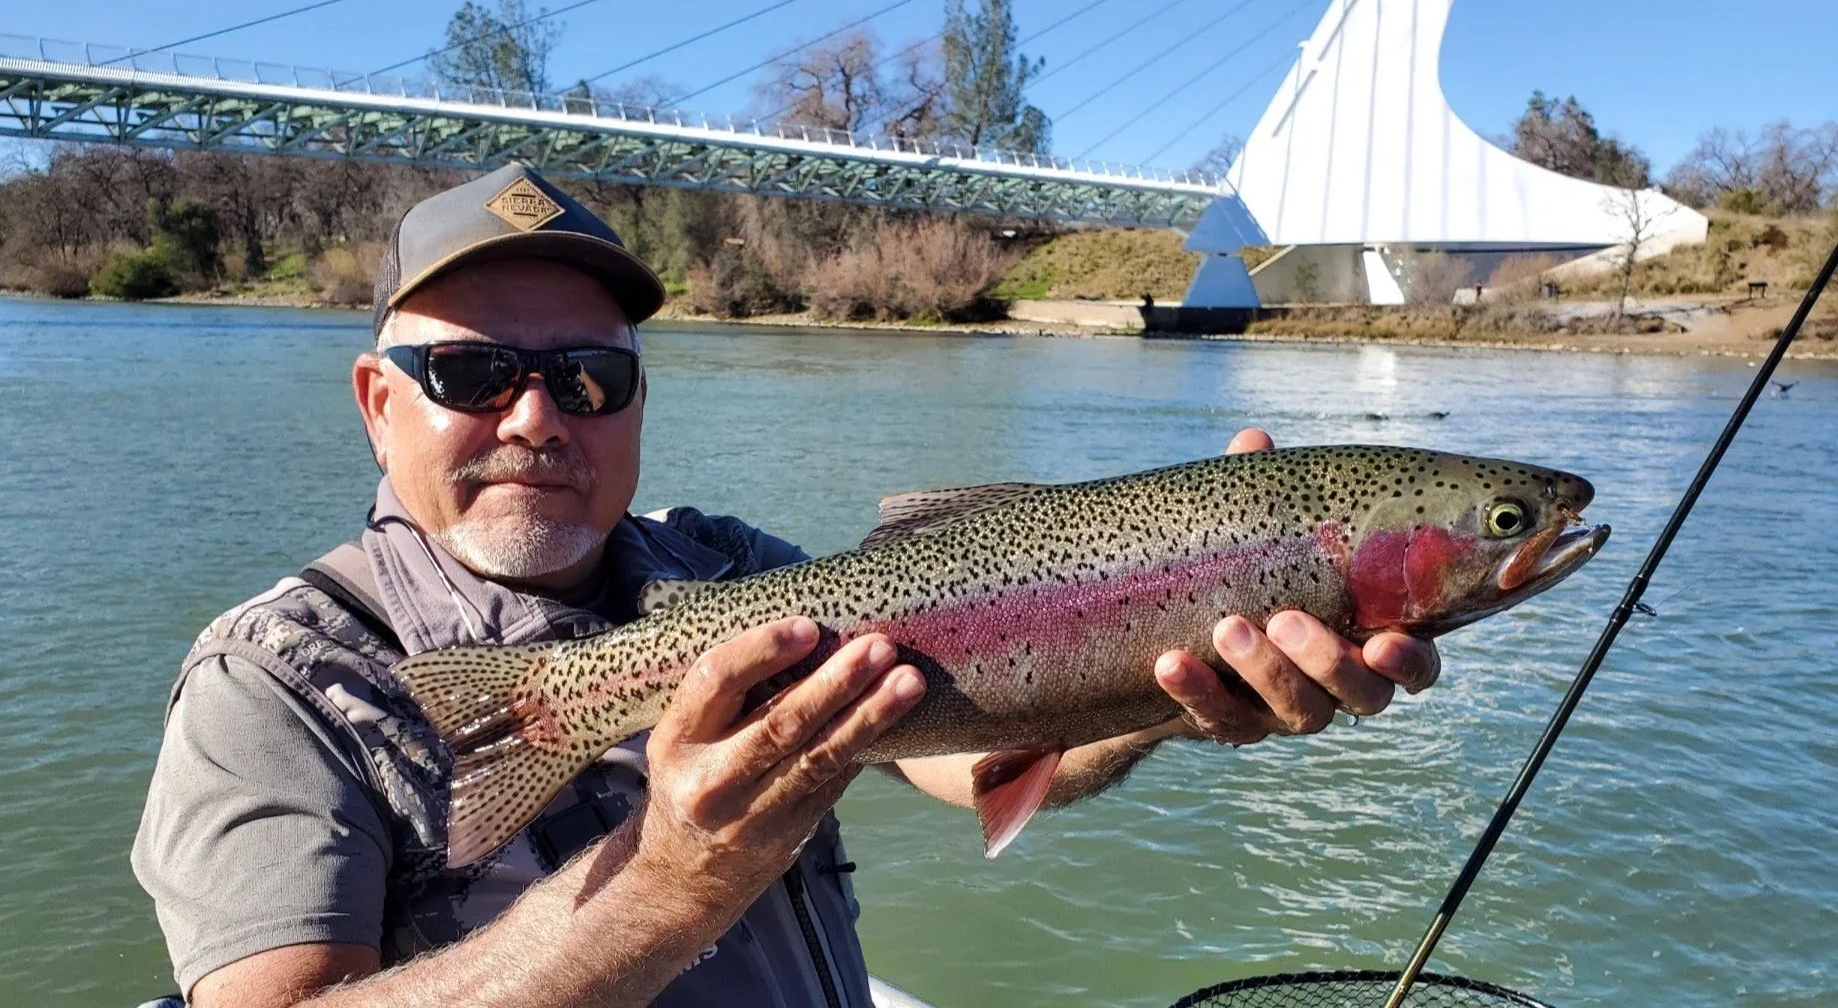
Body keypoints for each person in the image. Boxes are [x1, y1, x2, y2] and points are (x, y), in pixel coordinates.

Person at [132, 164, 1441, 1008]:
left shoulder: (736, 576)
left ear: (637, 400)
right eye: (474, 376)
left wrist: (1167, 684)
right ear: (376, 406)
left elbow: (974, 766)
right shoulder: (276, 680)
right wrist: (667, 882)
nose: (537, 416)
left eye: (587, 376)